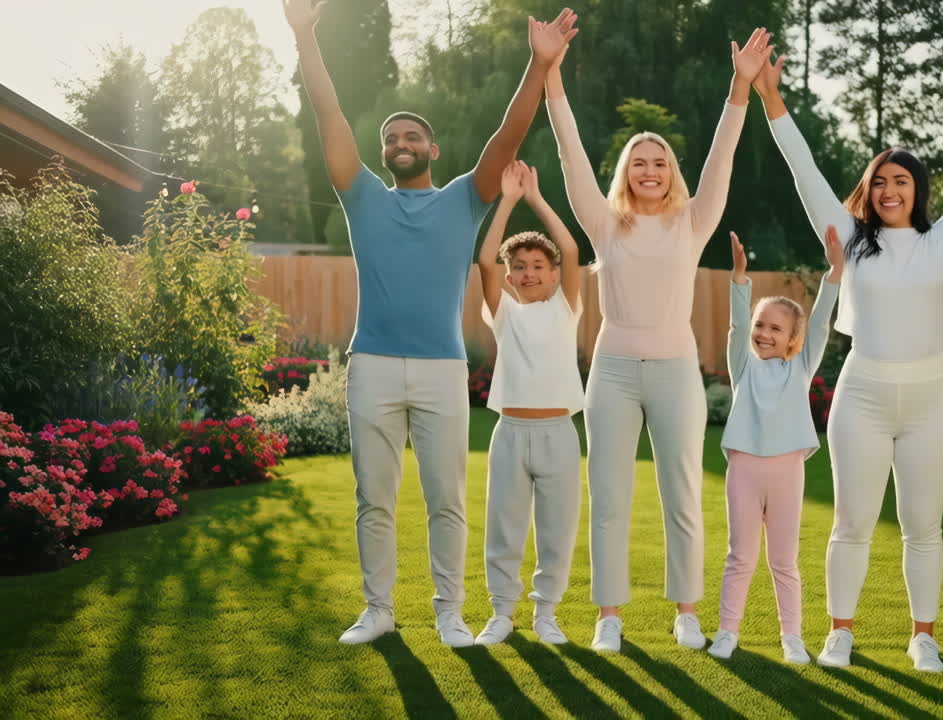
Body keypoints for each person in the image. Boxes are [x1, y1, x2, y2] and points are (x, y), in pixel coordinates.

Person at [284, 0, 580, 647]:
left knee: (446, 498)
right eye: (390, 138)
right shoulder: (360, 195)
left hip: (443, 368)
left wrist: (537, 64)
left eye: (411, 136)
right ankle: (379, 610)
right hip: (375, 366)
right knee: (375, 499)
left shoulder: (464, 201)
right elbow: (328, 115)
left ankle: (450, 611)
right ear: (382, 152)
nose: (399, 143)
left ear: (432, 149)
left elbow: (508, 137)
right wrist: (307, 38)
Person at [751, 26, 943, 671]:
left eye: (902, 182)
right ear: (869, 188)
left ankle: (923, 635)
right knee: (851, 523)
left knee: (923, 526)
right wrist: (772, 100)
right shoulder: (850, 242)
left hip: (929, 399)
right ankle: (840, 632)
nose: (889, 191)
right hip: (861, 395)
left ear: (917, 190)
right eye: (880, 181)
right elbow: (804, 172)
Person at [544, 28, 775, 652]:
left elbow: (723, 155)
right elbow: (568, 153)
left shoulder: (693, 221)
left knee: (682, 495)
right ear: (625, 172)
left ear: (672, 173)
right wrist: (551, 74)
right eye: (639, 162)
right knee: (609, 497)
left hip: (675, 372)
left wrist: (740, 86)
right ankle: (609, 617)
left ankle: (687, 613)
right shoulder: (602, 223)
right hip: (614, 370)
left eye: (660, 162)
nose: (650, 170)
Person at [707, 227, 842, 664]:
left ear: (792, 340)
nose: (764, 333)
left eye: (775, 328)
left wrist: (834, 274)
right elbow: (737, 326)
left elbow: (820, 322)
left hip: (786, 471)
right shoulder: (743, 365)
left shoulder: (800, 368)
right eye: (761, 325)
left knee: (784, 561)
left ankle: (792, 638)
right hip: (744, 470)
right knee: (740, 556)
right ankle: (727, 632)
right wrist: (740, 280)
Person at [472, 161, 584, 647]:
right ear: (511, 276)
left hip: (559, 434)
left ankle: (546, 616)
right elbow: (484, 262)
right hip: (510, 434)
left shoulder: (566, 307)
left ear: (555, 274)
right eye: (520, 267)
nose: (528, 272)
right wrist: (508, 202)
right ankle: (501, 613)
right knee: (504, 527)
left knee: (557, 532)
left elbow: (574, 249)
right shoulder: (503, 313)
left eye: (539, 266)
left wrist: (537, 199)